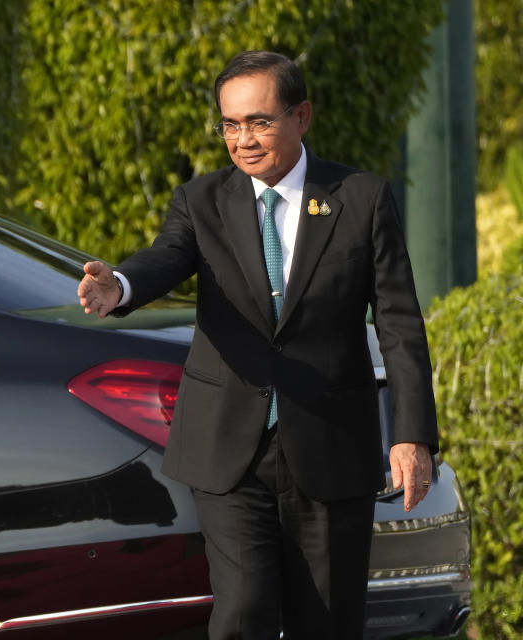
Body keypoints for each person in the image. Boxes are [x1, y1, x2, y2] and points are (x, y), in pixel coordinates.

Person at [77, 51, 438, 639]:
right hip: (228, 448)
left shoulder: (360, 198)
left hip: (330, 445)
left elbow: (399, 321)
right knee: (242, 612)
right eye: (230, 124)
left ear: (302, 116)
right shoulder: (201, 202)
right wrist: (118, 285)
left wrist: (412, 433)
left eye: (260, 122)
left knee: (326, 622)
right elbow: (165, 258)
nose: (243, 140)